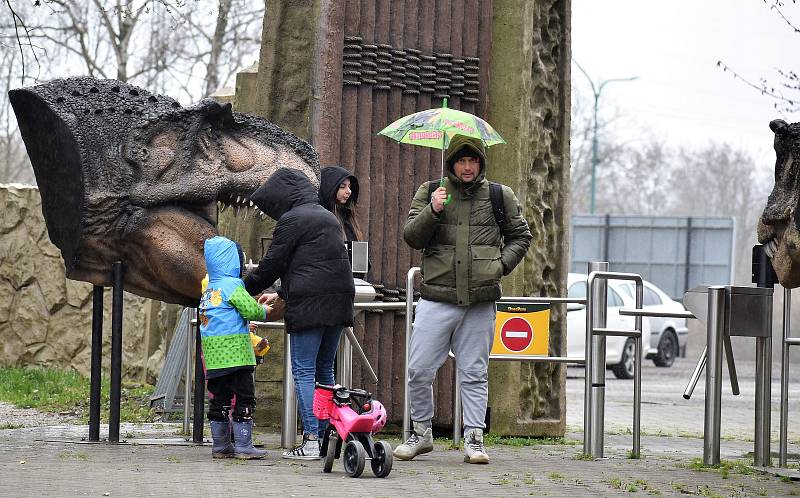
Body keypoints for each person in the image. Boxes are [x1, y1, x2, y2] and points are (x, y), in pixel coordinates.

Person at [395, 135, 532, 464]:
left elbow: (520, 235)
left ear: (481, 163)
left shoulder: (501, 195)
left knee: (474, 371)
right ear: (451, 163)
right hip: (436, 297)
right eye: (461, 160)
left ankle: (474, 438)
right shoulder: (431, 192)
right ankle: (421, 433)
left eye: (473, 161)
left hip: (480, 300)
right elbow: (412, 236)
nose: (467, 166)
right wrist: (434, 210)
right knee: (418, 370)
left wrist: (499, 266)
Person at [244, 168, 355, 460]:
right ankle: (326, 438)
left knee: (304, 370)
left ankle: (312, 439)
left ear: (283, 198)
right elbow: (312, 262)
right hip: (340, 300)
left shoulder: (292, 219)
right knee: (324, 370)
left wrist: (241, 287)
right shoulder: (326, 216)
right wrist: (282, 292)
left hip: (310, 304)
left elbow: (273, 264)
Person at [199, 235, 270, 460]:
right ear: (234, 262)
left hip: (214, 356)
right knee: (244, 397)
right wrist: (264, 311)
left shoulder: (209, 290)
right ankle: (244, 446)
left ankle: (220, 446)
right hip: (236, 355)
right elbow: (250, 310)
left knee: (219, 398)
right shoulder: (233, 285)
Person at [318, 165, 363, 243]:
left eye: (349, 186)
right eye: (342, 187)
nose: (349, 191)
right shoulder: (321, 221)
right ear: (329, 189)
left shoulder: (347, 217)